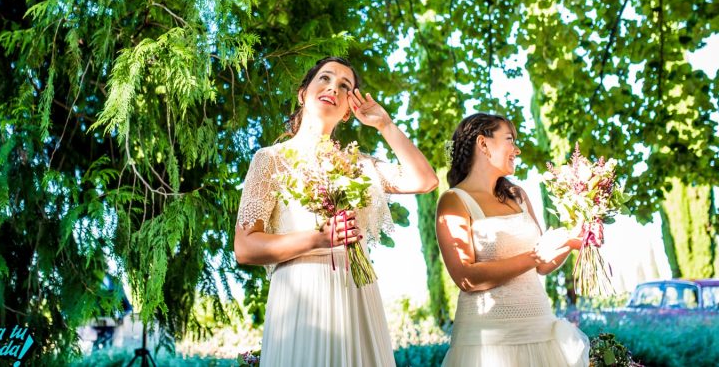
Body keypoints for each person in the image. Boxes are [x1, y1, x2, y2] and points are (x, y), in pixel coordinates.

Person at [234, 57, 438, 367]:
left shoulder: (359, 164)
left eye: (345, 86)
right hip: (301, 302)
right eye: (325, 79)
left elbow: (425, 180)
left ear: (348, 111)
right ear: (303, 93)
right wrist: (317, 240)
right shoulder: (270, 160)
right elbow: (245, 247)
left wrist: (385, 125)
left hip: (357, 296)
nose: (334, 87)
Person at [436, 113, 590, 367]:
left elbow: (542, 266)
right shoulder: (454, 200)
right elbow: (466, 277)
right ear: (483, 144)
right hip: (488, 345)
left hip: (540, 331)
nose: (516, 150)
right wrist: (535, 256)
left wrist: (572, 241)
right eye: (509, 140)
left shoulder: (518, 196)